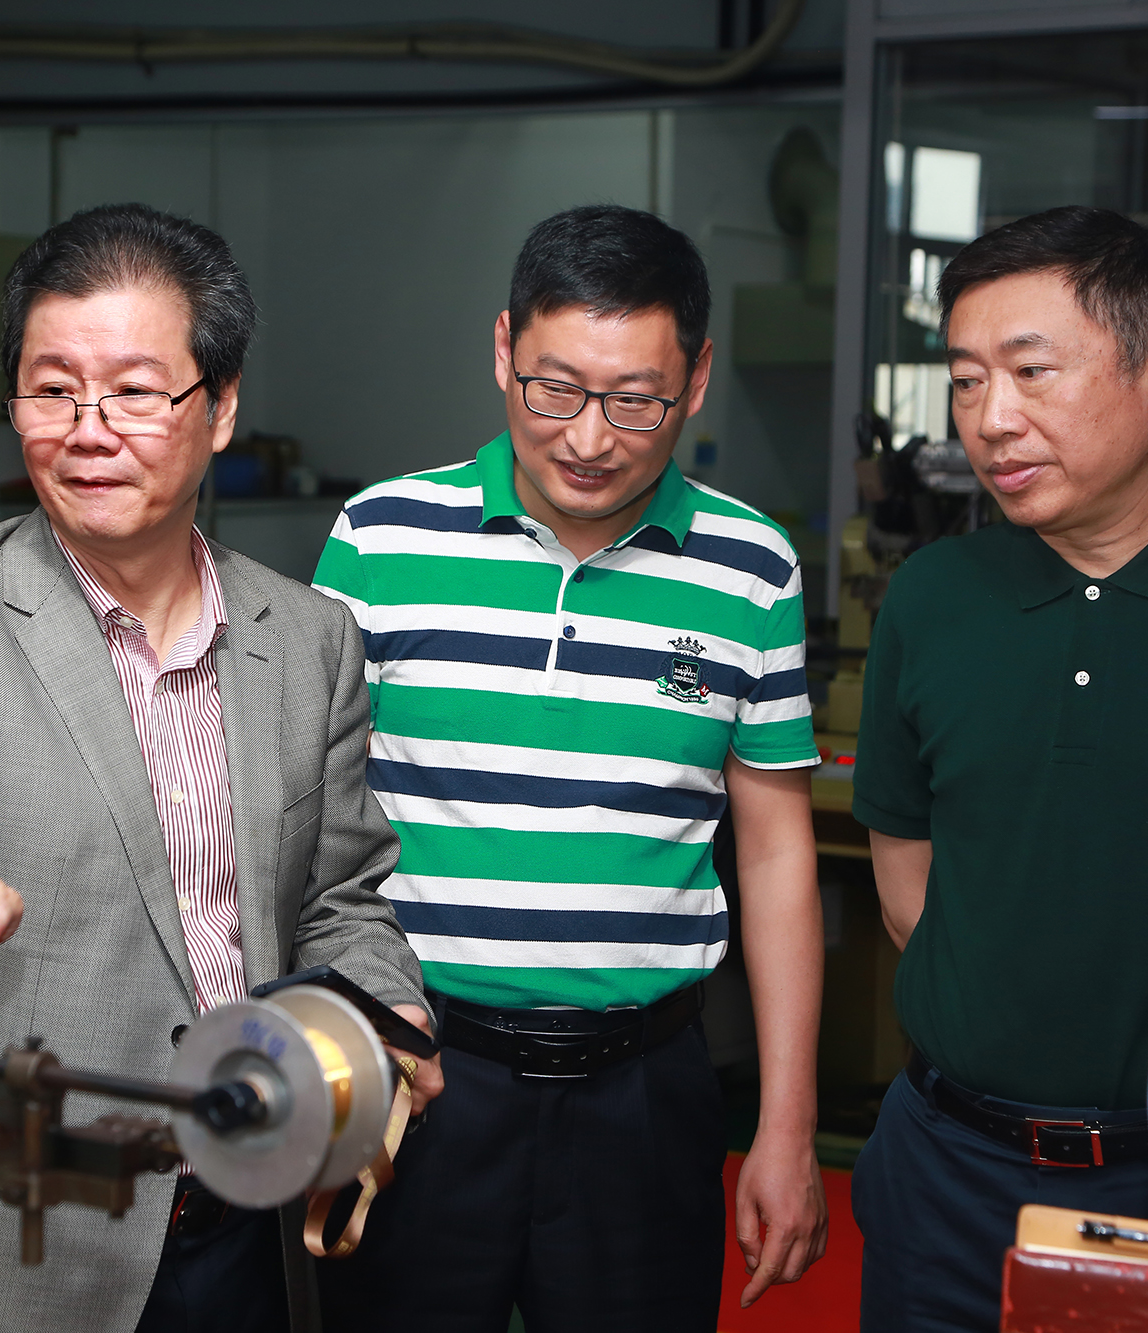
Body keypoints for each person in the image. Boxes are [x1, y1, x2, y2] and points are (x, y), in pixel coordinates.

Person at [0, 203, 439, 1333]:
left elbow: (338, 898)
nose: (88, 431)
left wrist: (384, 1005)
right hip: (39, 1225)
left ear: (220, 407)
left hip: (255, 1205)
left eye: (136, 392)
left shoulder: (309, 640)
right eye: (52, 390)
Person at [310, 203, 826, 1332]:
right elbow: (310, 824)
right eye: (554, 389)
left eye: (636, 400)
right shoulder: (380, 538)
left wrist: (786, 1124)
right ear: (504, 350)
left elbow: (777, 855)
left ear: (696, 380)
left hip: (644, 1094)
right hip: (417, 1075)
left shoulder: (753, 568)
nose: (589, 439)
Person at [846, 205, 1148, 1332]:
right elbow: (907, 882)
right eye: (966, 381)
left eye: (1031, 373)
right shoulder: (933, 598)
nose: (991, 420)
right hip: (946, 1165)